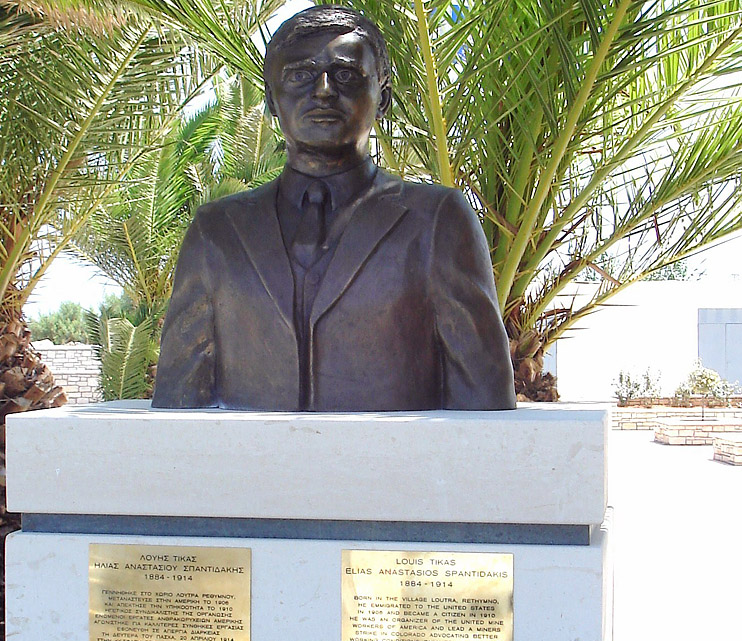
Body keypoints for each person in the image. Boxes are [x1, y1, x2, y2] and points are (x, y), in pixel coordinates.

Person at [152, 6, 516, 412]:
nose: (323, 90)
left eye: (345, 75)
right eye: (300, 76)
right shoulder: (216, 232)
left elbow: (484, 402)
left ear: (383, 98)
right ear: (271, 99)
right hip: (246, 455)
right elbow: (179, 401)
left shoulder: (436, 220)